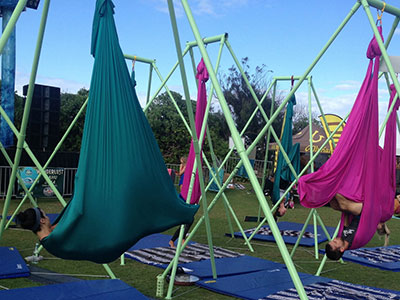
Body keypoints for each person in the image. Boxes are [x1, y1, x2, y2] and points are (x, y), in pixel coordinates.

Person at [325, 193, 363, 261]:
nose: (335, 239)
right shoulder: (354, 241)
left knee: (334, 206)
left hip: (355, 213)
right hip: (363, 213)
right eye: (335, 242)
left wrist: (345, 211)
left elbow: (346, 225)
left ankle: (330, 191)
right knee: (343, 205)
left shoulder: (342, 238)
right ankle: (333, 189)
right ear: (342, 249)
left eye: (333, 240)